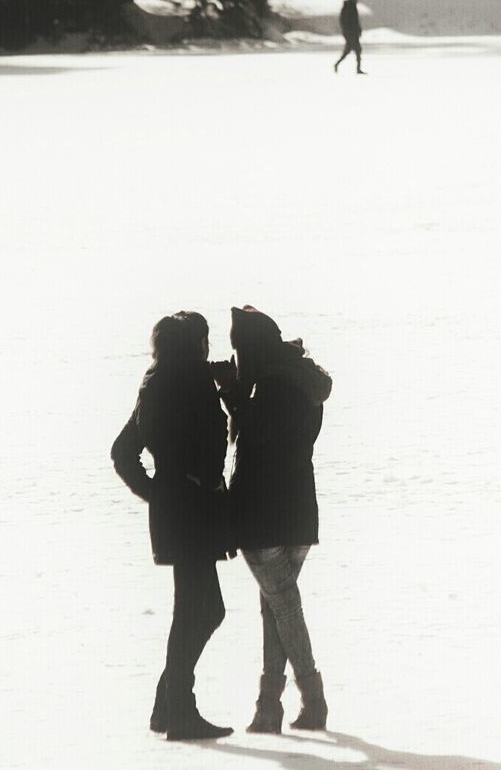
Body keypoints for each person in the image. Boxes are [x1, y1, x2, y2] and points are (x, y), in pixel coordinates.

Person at [111, 311, 235, 741]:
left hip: (178, 510)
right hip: (192, 511)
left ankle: (168, 706)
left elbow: (123, 452)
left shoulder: (157, 383)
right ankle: (178, 711)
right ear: (192, 344)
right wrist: (170, 491)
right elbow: (207, 441)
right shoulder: (188, 384)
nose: (208, 346)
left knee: (205, 610)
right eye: (204, 339)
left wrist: (157, 492)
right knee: (193, 613)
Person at [216, 306, 333, 733]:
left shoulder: (272, 386)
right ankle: (268, 709)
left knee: (284, 607)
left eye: (240, 350)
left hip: (264, 515)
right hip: (298, 511)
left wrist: (231, 394)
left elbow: (260, 437)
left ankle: (313, 701)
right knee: (277, 608)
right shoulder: (300, 380)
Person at [334, 0, 365, 73]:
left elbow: (356, 21)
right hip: (350, 33)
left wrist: (358, 30)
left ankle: (337, 64)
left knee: (349, 50)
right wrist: (349, 31)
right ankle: (358, 69)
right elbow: (345, 21)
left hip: (353, 32)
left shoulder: (352, 6)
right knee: (357, 49)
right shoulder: (348, 7)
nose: (358, 0)